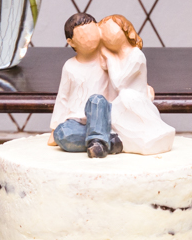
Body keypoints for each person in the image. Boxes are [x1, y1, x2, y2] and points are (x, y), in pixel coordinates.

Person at [98, 14, 174, 156]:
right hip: (120, 107)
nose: (105, 36)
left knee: (126, 95)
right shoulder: (116, 57)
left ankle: (155, 134)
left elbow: (119, 84)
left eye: (109, 30)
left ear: (125, 30)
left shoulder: (136, 56)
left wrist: (110, 58)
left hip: (134, 105)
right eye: (102, 34)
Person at [50, 12, 120, 158]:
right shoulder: (69, 66)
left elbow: (123, 81)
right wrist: (54, 128)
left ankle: (98, 140)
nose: (90, 39)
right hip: (77, 124)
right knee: (61, 134)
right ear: (71, 42)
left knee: (96, 100)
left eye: (93, 33)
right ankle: (107, 142)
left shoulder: (107, 61)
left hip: (103, 118)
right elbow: (62, 98)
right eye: (83, 36)